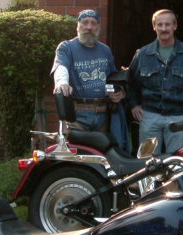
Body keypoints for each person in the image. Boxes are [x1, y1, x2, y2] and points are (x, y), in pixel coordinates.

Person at [128, 9, 183, 155]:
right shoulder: (143, 54)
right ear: (154, 27)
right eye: (160, 25)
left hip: (178, 117)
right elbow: (131, 82)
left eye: (167, 24)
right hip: (149, 116)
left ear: (175, 26)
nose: (164, 29)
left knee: (178, 162)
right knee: (147, 162)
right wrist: (134, 104)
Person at [51, 9, 130, 151]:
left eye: (93, 23)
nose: (89, 27)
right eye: (85, 22)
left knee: (101, 156)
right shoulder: (66, 47)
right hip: (78, 115)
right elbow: (61, 67)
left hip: (103, 115)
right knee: (78, 154)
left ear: (98, 27)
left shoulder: (105, 50)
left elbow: (113, 78)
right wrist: (62, 82)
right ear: (78, 25)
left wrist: (119, 92)